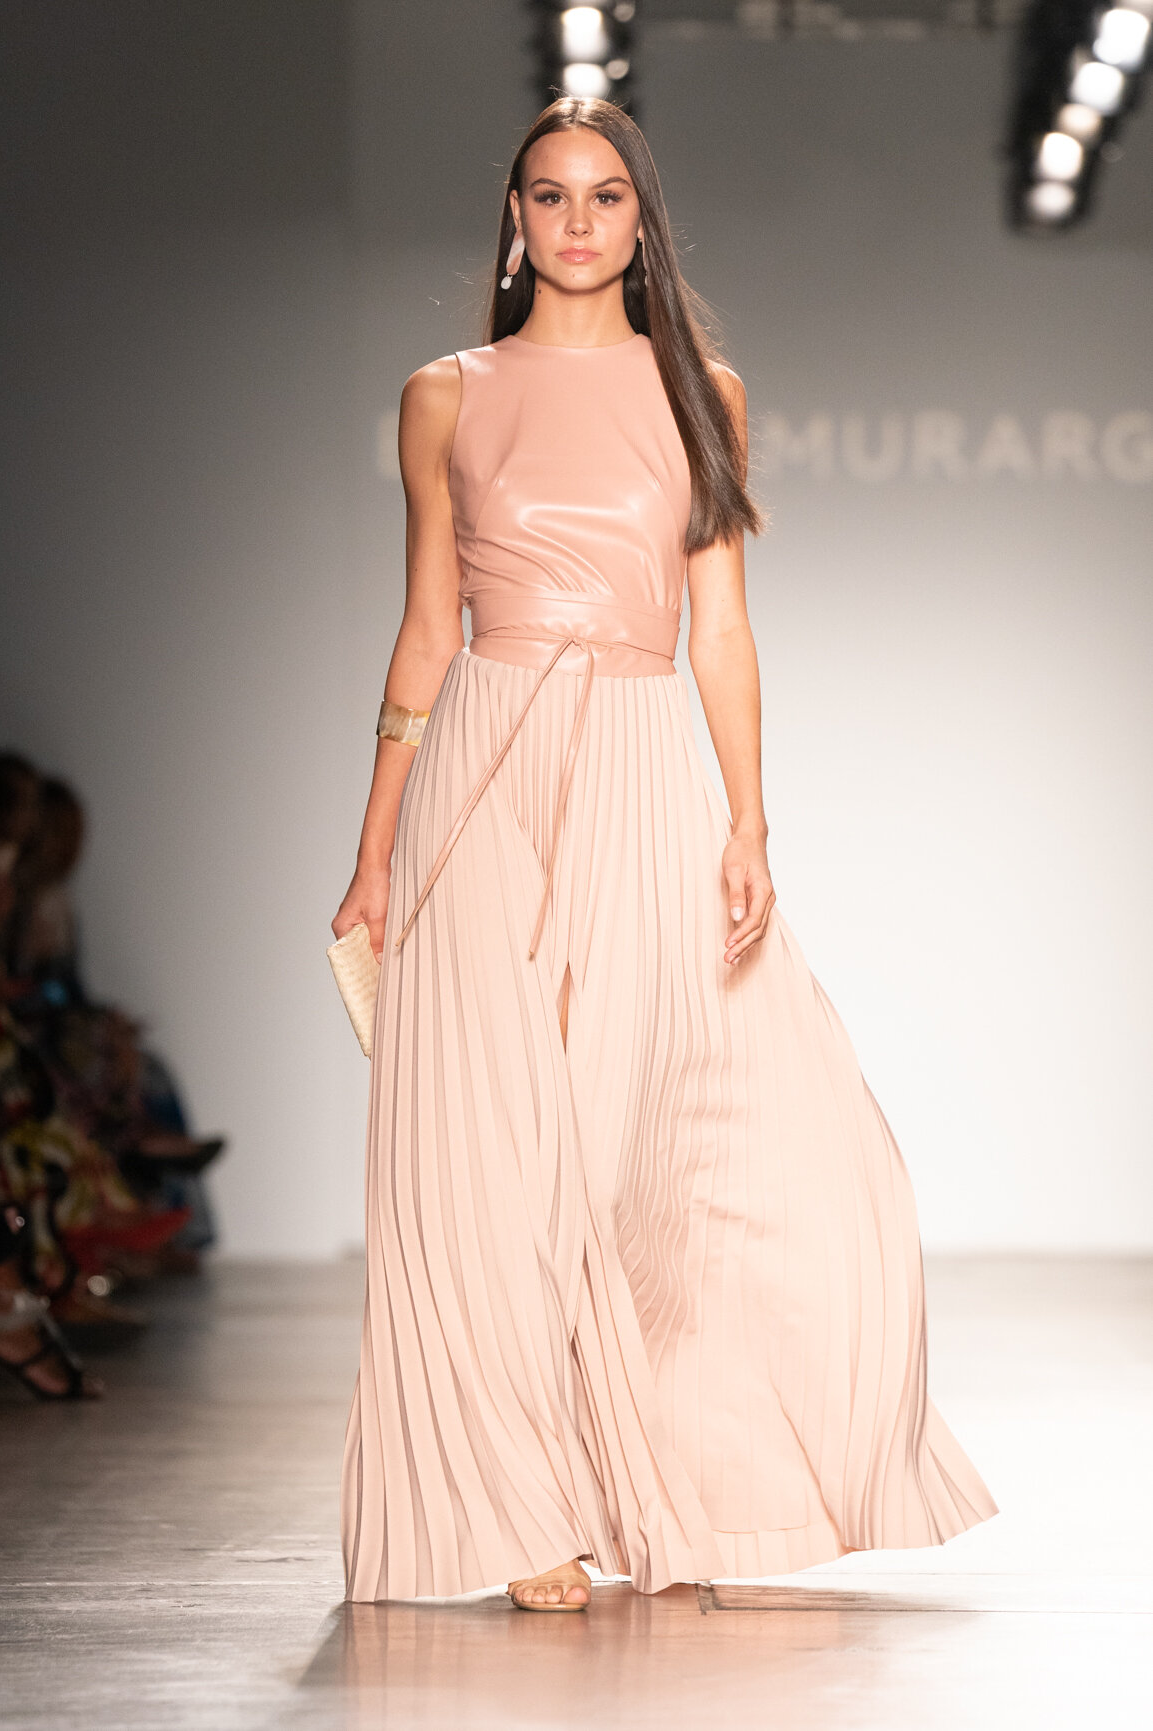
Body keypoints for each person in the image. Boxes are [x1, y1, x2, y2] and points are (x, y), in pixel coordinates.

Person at [333, 96, 998, 1613]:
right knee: (485, 1154)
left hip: (642, 766)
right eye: (549, 195)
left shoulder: (705, 393)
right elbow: (427, 629)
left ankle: (657, 1480)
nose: (577, 221)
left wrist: (748, 820)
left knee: (636, 1147)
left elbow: (722, 630)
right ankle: (521, 1511)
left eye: (606, 196)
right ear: (514, 220)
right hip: (483, 767)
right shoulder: (443, 396)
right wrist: (373, 850)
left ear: (643, 222)